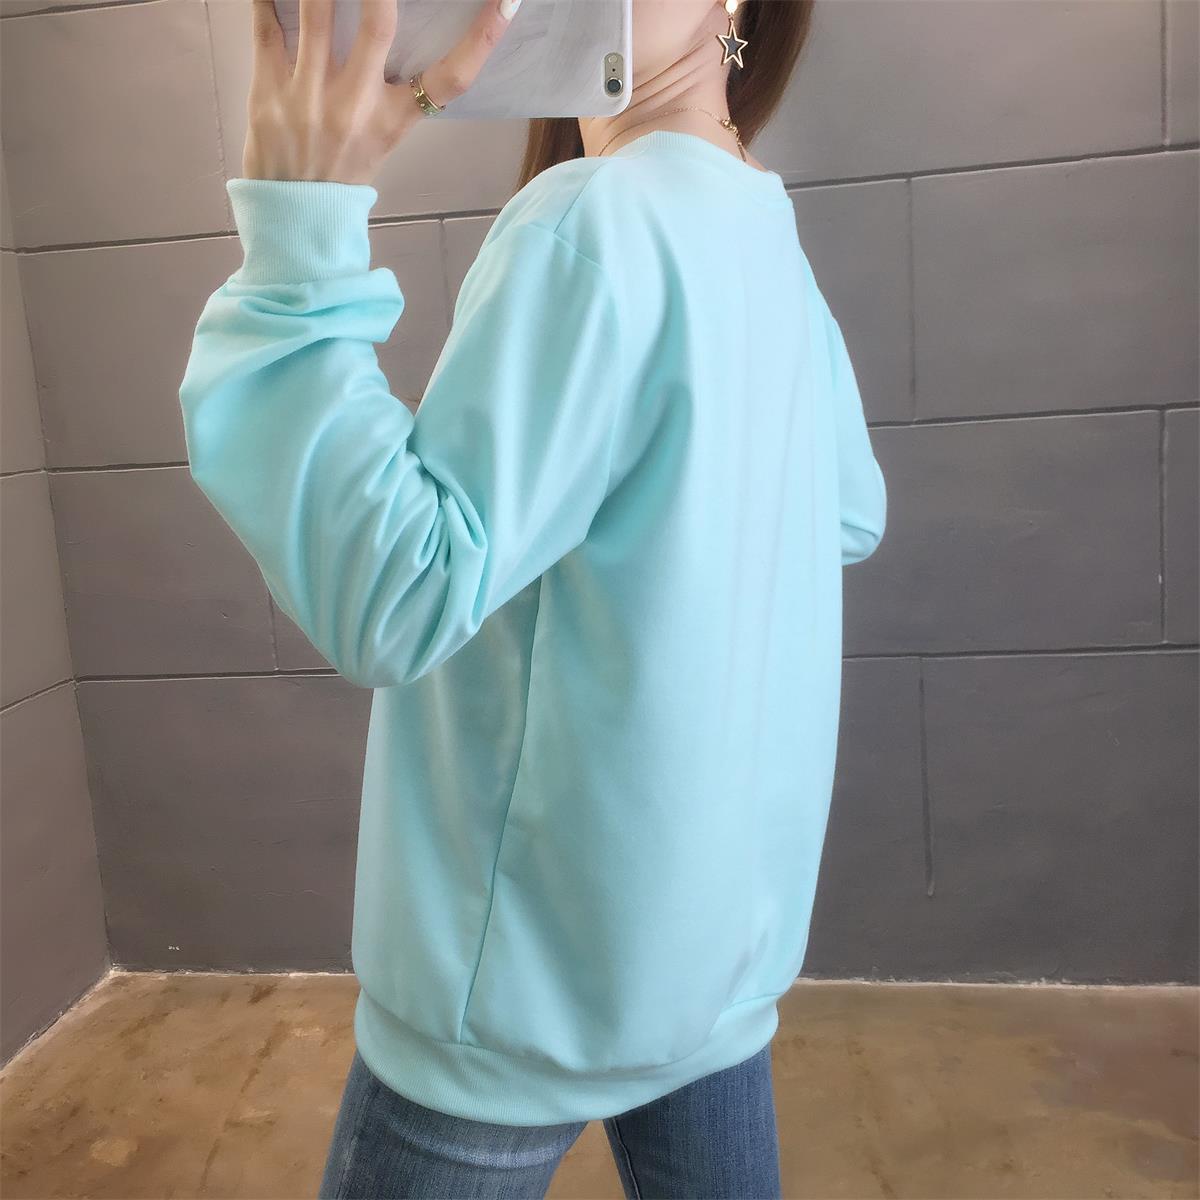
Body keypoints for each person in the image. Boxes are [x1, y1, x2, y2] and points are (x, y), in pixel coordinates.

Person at [177, 0, 888, 1194]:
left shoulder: (594, 223)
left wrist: (299, 235)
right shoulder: (762, 224)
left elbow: (392, 592)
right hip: (712, 958)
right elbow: (846, 514)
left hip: (524, 985)